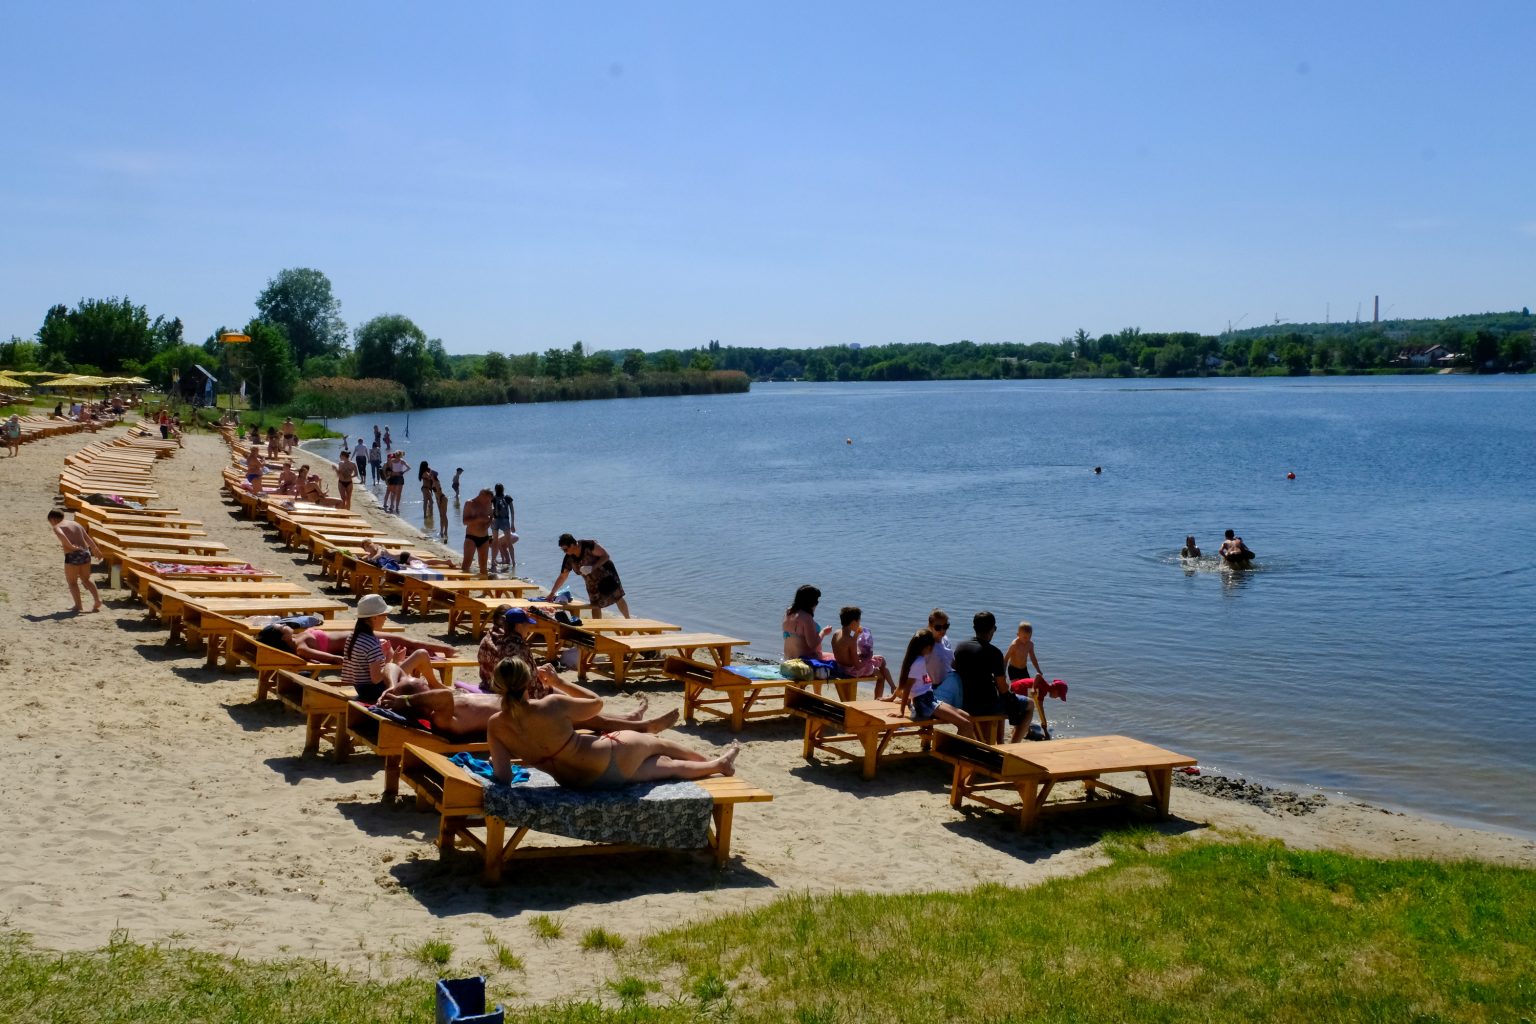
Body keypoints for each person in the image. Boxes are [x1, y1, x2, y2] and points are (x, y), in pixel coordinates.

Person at [486, 658, 739, 788]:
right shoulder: (551, 704)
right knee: (660, 746)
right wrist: (559, 683)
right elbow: (596, 704)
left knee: (665, 767)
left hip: (579, 784)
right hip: (609, 759)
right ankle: (712, 763)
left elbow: (504, 776)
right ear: (529, 680)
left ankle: (717, 765)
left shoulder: (496, 725)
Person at [341, 594, 454, 702]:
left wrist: (387, 659)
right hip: (376, 691)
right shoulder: (371, 642)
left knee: (415, 659)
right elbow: (376, 679)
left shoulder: (353, 636)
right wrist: (394, 663)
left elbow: (367, 672)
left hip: (362, 689)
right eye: (384, 615)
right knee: (421, 654)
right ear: (374, 617)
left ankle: (432, 684)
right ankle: (433, 684)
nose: (386, 618)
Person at [952, 611, 1035, 743]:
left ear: (974, 628)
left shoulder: (960, 648)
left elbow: (954, 671)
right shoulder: (994, 653)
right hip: (986, 705)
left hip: (964, 703)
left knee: (1003, 702)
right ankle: (1013, 745)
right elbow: (1002, 688)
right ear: (993, 629)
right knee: (1030, 704)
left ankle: (1000, 742)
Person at [892, 629, 975, 735]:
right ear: (927, 647)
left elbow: (907, 683)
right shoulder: (918, 662)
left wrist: (893, 697)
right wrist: (901, 711)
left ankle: (968, 748)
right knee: (965, 724)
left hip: (930, 698)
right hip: (924, 703)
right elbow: (908, 686)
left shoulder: (918, 660)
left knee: (967, 717)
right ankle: (954, 751)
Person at [547, 534, 629, 618]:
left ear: (572, 545)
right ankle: (597, 628)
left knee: (617, 598)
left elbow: (606, 556)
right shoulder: (569, 558)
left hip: (606, 575)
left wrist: (592, 567)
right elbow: (562, 576)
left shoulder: (589, 545)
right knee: (595, 605)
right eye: (563, 550)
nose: (564, 552)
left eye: (565, 549)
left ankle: (628, 620)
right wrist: (552, 593)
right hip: (591, 581)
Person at [831, 606, 895, 699]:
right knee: (881, 674)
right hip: (852, 671)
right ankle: (886, 692)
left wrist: (856, 636)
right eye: (858, 621)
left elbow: (845, 651)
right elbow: (858, 666)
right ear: (853, 623)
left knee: (880, 660)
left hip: (841, 667)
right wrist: (868, 657)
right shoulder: (850, 640)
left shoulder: (836, 633)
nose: (859, 624)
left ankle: (893, 687)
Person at [46, 510, 103, 613]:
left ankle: (78, 606)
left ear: (53, 519)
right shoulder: (76, 524)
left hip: (72, 555)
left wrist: (71, 547)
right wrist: (96, 550)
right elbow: (87, 538)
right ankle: (97, 600)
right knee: (86, 579)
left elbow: (62, 536)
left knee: (72, 582)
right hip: (86, 553)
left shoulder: (57, 526)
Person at [781, 585, 831, 660]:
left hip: (788, 659)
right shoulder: (807, 618)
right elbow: (812, 644)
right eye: (816, 601)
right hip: (804, 661)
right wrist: (823, 632)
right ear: (811, 602)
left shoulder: (789, 612)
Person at [461, 487, 494, 575]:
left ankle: (485, 588)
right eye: (487, 499)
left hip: (484, 538)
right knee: (467, 563)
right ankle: (463, 588)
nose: (488, 502)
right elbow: (465, 522)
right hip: (471, 537)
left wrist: (488, 523)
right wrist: (478, 518)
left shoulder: (488, 504)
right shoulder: (469, 503)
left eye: (490, 500)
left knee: (483, 565)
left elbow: (491, 516)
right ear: (482, 495)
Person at [490, 483, 516, 570]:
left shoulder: (493, 498)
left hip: (495, 520)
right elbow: (512, 511)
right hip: (505, 520)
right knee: (509, 543)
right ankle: (514, 563)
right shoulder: (508, 497)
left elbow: (490, 510)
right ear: (503, 489)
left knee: (495, 541)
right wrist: (512, 523)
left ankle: (493, 561)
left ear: (495, 489)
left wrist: (490, 519)